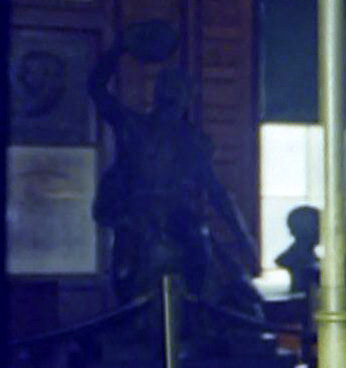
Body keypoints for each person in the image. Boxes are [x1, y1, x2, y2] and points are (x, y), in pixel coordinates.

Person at [89, 22, 263, 316]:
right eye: (172, 92)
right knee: (127, 281)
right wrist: (119, 48)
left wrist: (243, 238)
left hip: (177, 220)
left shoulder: (192, 140)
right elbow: (96, 88)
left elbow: (216, 192)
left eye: (180, 92)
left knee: (202, 271)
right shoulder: (135, 127)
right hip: (139, 219)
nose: (175, 99)